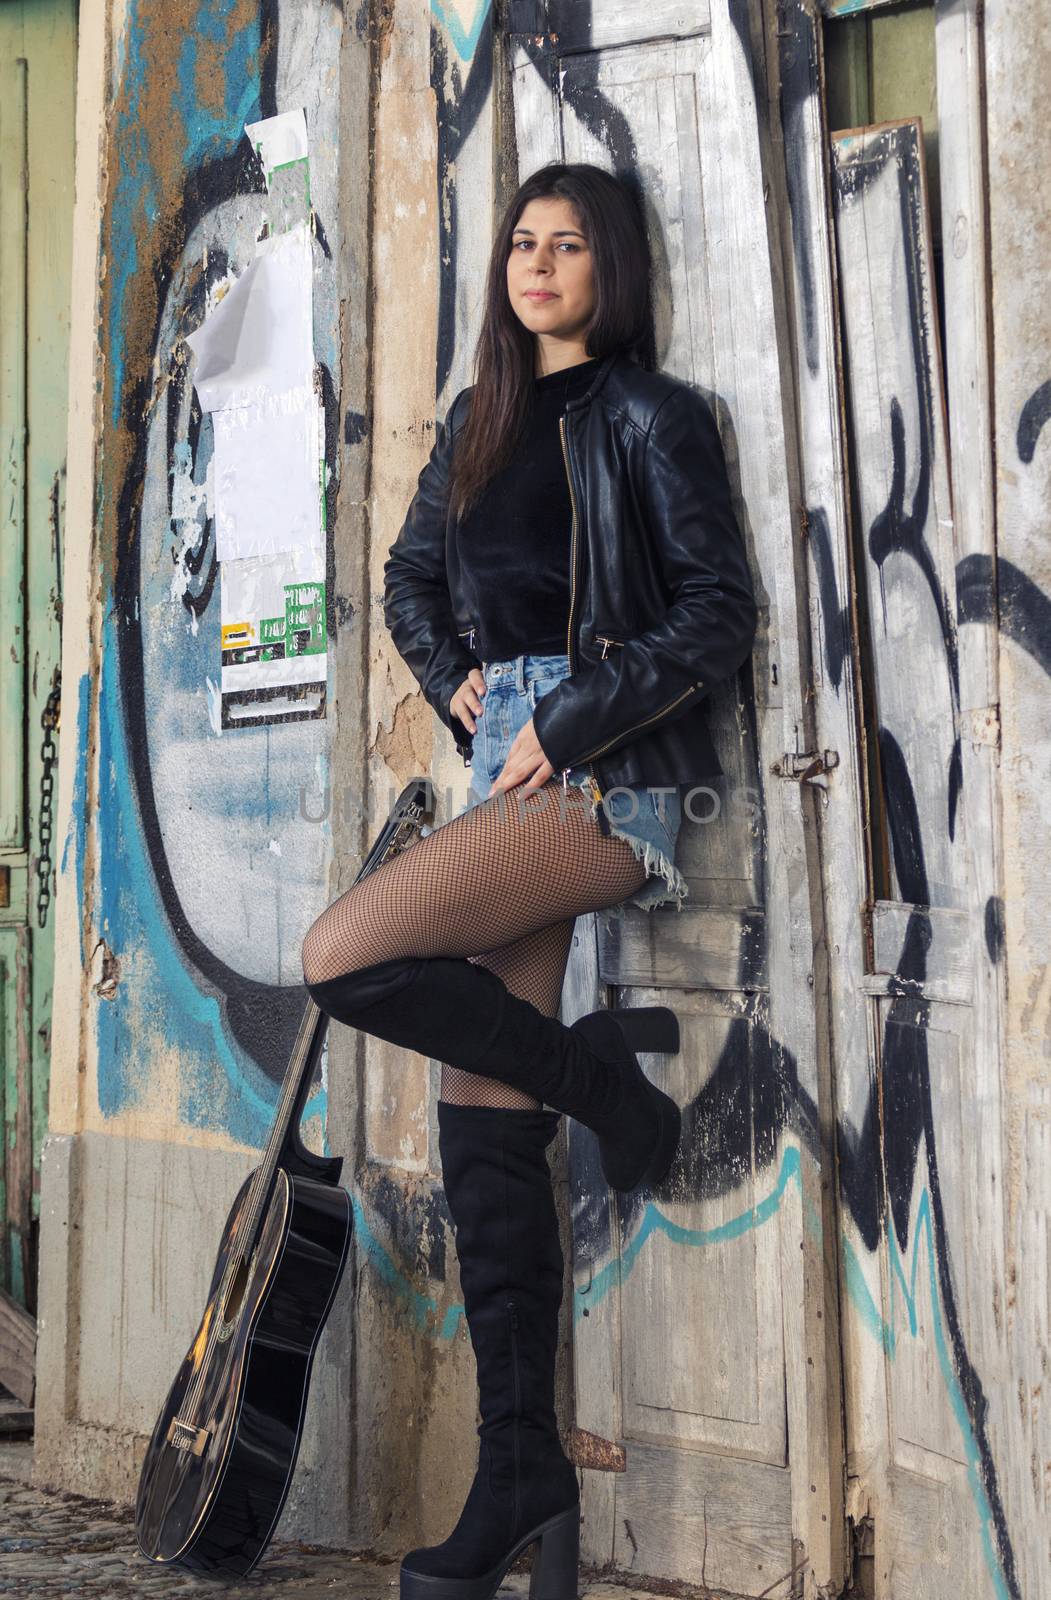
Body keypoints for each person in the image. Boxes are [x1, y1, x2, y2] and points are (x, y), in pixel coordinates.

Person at [301, 162, 757, 1600]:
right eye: (521, 242)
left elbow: (716, 613)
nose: (536, 263)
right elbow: (407, 579)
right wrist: (461, 695)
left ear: (608, 266)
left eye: (566, 244)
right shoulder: (481, 422)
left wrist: (559, 719)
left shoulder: (651, 415)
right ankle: (519, 1478)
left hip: (606, 776)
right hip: (510, 763)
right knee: (477, 1119)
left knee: (344, 956)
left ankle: (605, 1088)